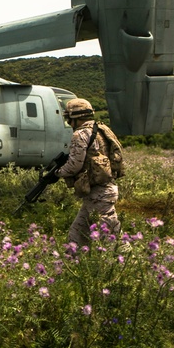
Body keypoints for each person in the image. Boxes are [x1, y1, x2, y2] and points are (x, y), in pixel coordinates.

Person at [56, 98, 123, 248]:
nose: (68, 123)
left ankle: (123, 262)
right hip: (99, 192)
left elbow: (74, 165)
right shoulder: (102, 130)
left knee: (110, 239)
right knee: (77, 234)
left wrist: (58, 173)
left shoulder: (80, 135)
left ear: (75, 118)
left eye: (68, 119)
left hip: (100, 194)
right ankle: (70, 262)